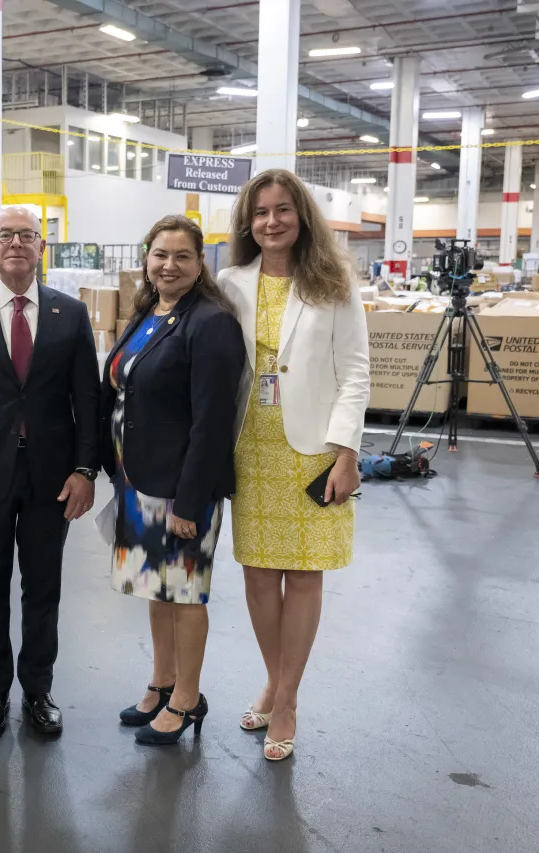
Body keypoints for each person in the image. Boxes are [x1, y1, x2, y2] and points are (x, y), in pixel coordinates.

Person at [217, 169, 369, 761]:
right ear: (248, 224)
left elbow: (356, 372)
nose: (271, 221)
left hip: (313, 450)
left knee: (304, 574)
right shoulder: (230, 282)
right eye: (260, 213)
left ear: (301, 215)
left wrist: (348, 454)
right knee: (258, 572)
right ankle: (277, 681)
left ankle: (285, 699)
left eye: (282, 210)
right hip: (250, 445)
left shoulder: (333, 283)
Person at [0, 206, 101, 737]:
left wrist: (84, 469)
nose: (16, 244)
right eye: (5, 235)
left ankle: (38, 690)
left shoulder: (70, 315)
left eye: (27, 236)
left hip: (52, 478)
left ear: (40, 248)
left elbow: (88, 401)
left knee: (43, 588)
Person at [101, 215, 246, 747]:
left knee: (185, 595)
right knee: (155, 589)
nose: (169, 265)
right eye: (160, 254)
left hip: (182, 488)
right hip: (138, 481)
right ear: (147, 258)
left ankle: (188, 698)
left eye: (182, 256)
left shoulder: (211, 323)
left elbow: (212, 422)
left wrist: (190, 501)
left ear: (200, 262)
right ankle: (161, 683)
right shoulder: (148, 312)